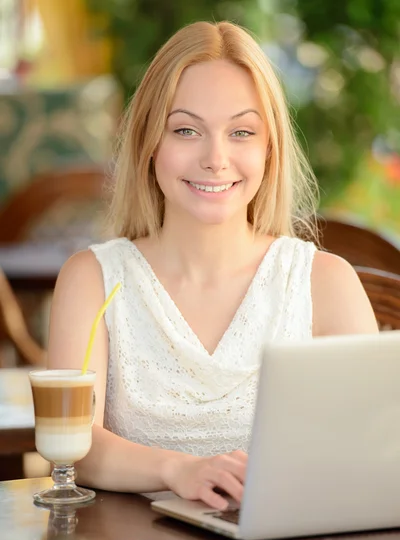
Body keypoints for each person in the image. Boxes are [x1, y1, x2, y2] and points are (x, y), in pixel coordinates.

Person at [47, 21, 378, 511]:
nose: (215, 158)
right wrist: (177, 469)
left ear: (270, 149)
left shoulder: (326, 284)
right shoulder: (92, 279)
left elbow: (374, 452)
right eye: (185, 130)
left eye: (241, 132)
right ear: (148, 145)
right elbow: (77, 449)